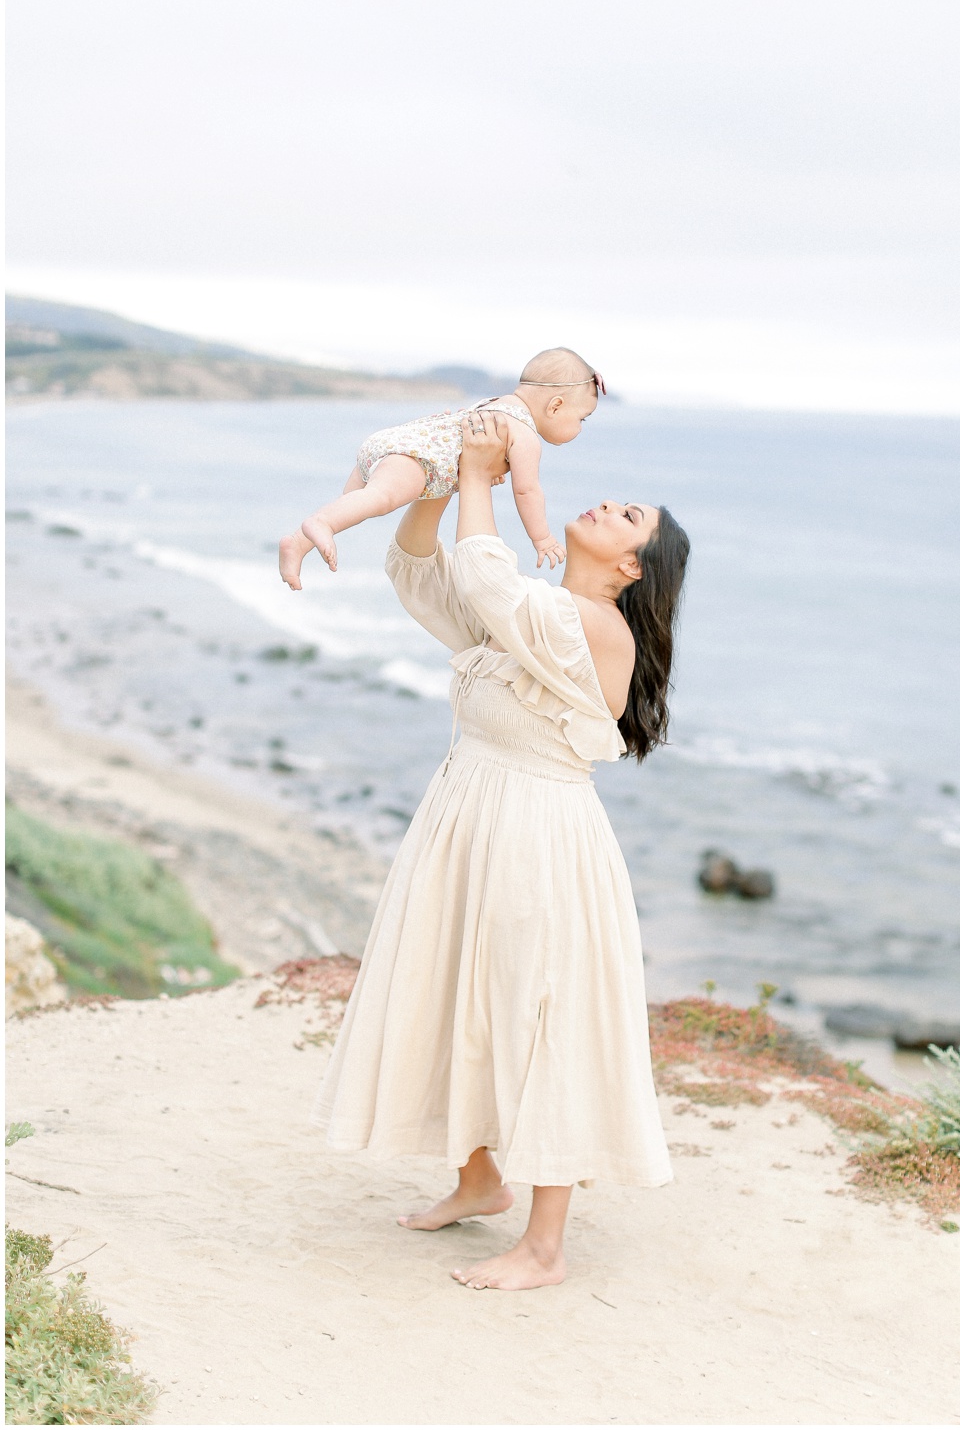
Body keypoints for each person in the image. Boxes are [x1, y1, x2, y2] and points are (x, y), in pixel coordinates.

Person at [312, 409, 690, 1291]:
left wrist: (482, 478)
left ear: (633, 566)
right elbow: (428, 579)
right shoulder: (542, 609)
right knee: (464, 998)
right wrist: (439, 485)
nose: (605, 503)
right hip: (472, 813)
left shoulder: (595, 627)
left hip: (539, 838)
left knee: (539, 1017)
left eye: (628, 515)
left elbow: (488, 585)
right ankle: (477, 1178)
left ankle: (545, 1246)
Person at [278, 346, 605, 589]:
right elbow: (526, 489)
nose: (579, 428)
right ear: (555, 405)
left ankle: (297, 542)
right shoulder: (525, 435)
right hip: (413, 460)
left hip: (390, 442)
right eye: (581, 419)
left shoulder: (493, 404)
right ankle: (320, 523)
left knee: (351, 505)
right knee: (377, 500)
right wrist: (543, 537)